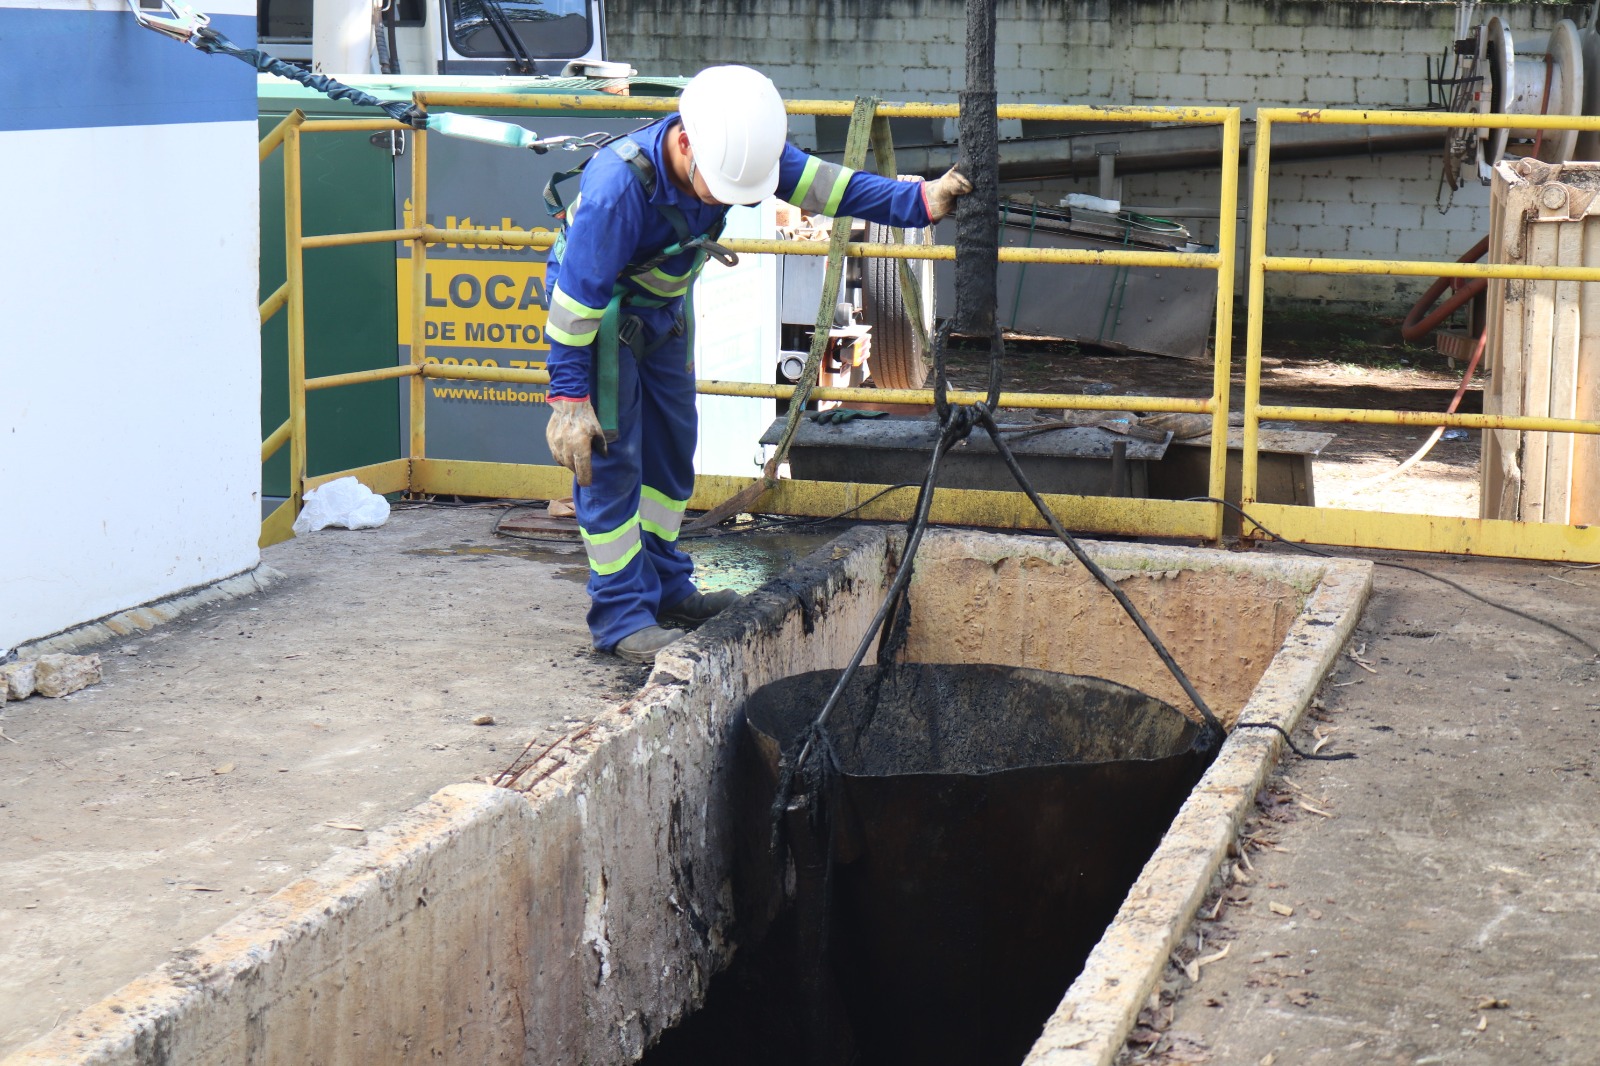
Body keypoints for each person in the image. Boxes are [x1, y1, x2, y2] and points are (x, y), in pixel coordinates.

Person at [542, 65, 972, 663]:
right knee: (613, 463)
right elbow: (575, 303)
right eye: (719, 188)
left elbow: (833, 189)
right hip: (599, 322)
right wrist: (567, 400)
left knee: (670, 454)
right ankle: (620, 616)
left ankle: (666, 586)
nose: (728, 200)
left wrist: (920, 200)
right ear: (685, 143)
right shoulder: (618, 188)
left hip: (663, 311)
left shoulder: (743, 150)